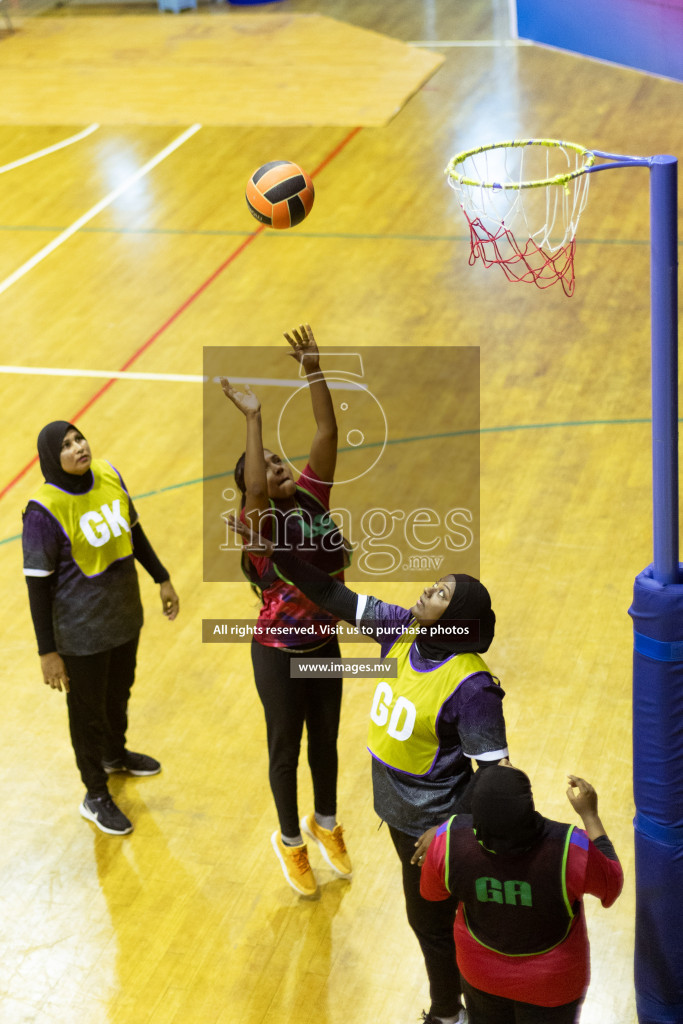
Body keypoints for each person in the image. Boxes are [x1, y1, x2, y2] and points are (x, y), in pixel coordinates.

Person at [228, 513, 508, 1024]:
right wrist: (273, 550)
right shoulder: (402, 630)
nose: (429, 591)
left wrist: (447, 833)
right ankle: (457, 1008)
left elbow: (495, 774)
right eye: (435, 583)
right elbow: (329, 593)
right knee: (430, 921)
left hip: (439, 829)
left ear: (456, 619)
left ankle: (454, 1013)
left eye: (442, 594)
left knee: (447, 924)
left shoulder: (474, 687)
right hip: (403, 819)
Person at [220, 323, 353, 898]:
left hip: (325, 645)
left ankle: (325, 825)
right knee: (286, 747)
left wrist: (314, 367)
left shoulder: (311, 495)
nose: (273, 467)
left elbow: (328, 430)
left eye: (276, 459)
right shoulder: (257, 526)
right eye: (263, 465)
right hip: (278, 654)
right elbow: (252, 485)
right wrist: (252, 417)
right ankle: (289, 842)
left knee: (327, 741)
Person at [22, 421, 179, 836]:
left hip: (124, 616)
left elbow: (134, 531)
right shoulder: (43, 510)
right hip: (80, 634)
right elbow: (37, 586)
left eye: (79, 438)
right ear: (51, 459)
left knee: (119, 692)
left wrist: (161, 576)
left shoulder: (109, 474)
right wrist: (47, 651)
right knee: (87, 714)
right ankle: (95, 794)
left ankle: (115, 754)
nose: (78, 447)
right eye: (66, 445)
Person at [417, 765, 624, 1024]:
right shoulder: (571, 847)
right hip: (552, 984)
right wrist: (590, 815)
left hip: (480, 974)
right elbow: (612, 886)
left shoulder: (446, 841)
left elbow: (431, 894)